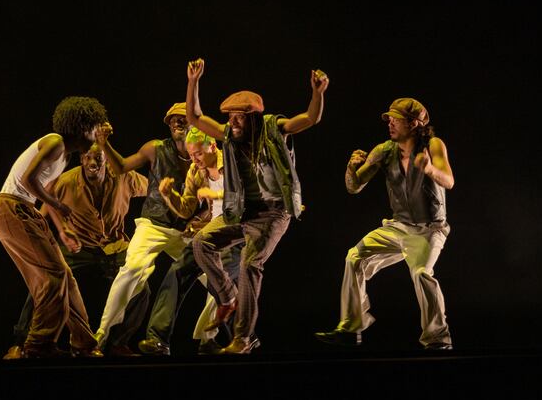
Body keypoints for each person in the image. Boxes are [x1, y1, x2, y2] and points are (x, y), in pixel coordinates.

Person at [186, 58, 330, 354]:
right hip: (242, 211)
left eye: (238, 118)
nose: (231, 123)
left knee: (250, 263)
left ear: (252, 117)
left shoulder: (274, 129)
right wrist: (193, 82)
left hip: (274, 213)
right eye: (229, 118)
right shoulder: (228, 135)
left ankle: (243, 337)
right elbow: (196, 117)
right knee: (201, 242)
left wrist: (318, 93)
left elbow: (309, 119)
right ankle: (227, 298)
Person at [314, 97, 455, 350]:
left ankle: (437, 340)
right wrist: (351, 168)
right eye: (389, 118)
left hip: (429, 228)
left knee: (422, 273)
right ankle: (351, 327)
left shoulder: (432, 145)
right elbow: (354, 187)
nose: (390, 123)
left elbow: (449, 181)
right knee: (354, 257)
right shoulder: (384, 150)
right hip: (398, 226)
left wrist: (430, 169)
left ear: (414, 123)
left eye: (396, 119)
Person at [2, 142, 149, 359]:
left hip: (114, 247)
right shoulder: (66, 181)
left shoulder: (123, 176)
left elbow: (152, 188)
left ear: (106, 159)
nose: (93, 162)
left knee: (140, 287)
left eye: (98, 158)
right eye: (87, 157)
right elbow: (46, 204)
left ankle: (117, 344)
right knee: (47, 281)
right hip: (79, 247)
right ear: (81, 159)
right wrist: (56, 231)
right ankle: (19, 343)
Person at [0, 96, 106, 359]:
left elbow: (45, 189)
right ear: (82, 126)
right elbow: (30, 180)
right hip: (11, 208)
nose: (98, 134)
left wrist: (63, 228)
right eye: (95, 128)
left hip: (25, 210)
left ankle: (84, 344)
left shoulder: (65, 157)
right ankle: (38, 346)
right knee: (52, 277)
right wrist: (59, 206)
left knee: (65, 276)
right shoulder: (55, 142)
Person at [94, 102, 193, 350]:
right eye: (172, 120)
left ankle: (210, 339)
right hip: (153, 225)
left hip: (185, 231)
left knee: (216, 276)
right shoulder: (156, 148)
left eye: (182, 118)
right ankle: (101, 334)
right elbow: (121, 168)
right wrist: (104, 143)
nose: (177, 123)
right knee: (132, 269)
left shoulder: (204, 151)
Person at [137, 127, 242, 356]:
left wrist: (216, 195)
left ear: (213, 147)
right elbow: (186, 209)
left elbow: (247, 198)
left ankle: (227, 339)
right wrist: (168, 194)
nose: (194, 160)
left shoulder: (234, 162)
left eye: (199, 154)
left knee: (220, 285)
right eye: (192, 155)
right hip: (208, 236)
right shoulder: (196, 170)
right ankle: (158, 340)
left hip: (236, 236)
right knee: (176, 271)